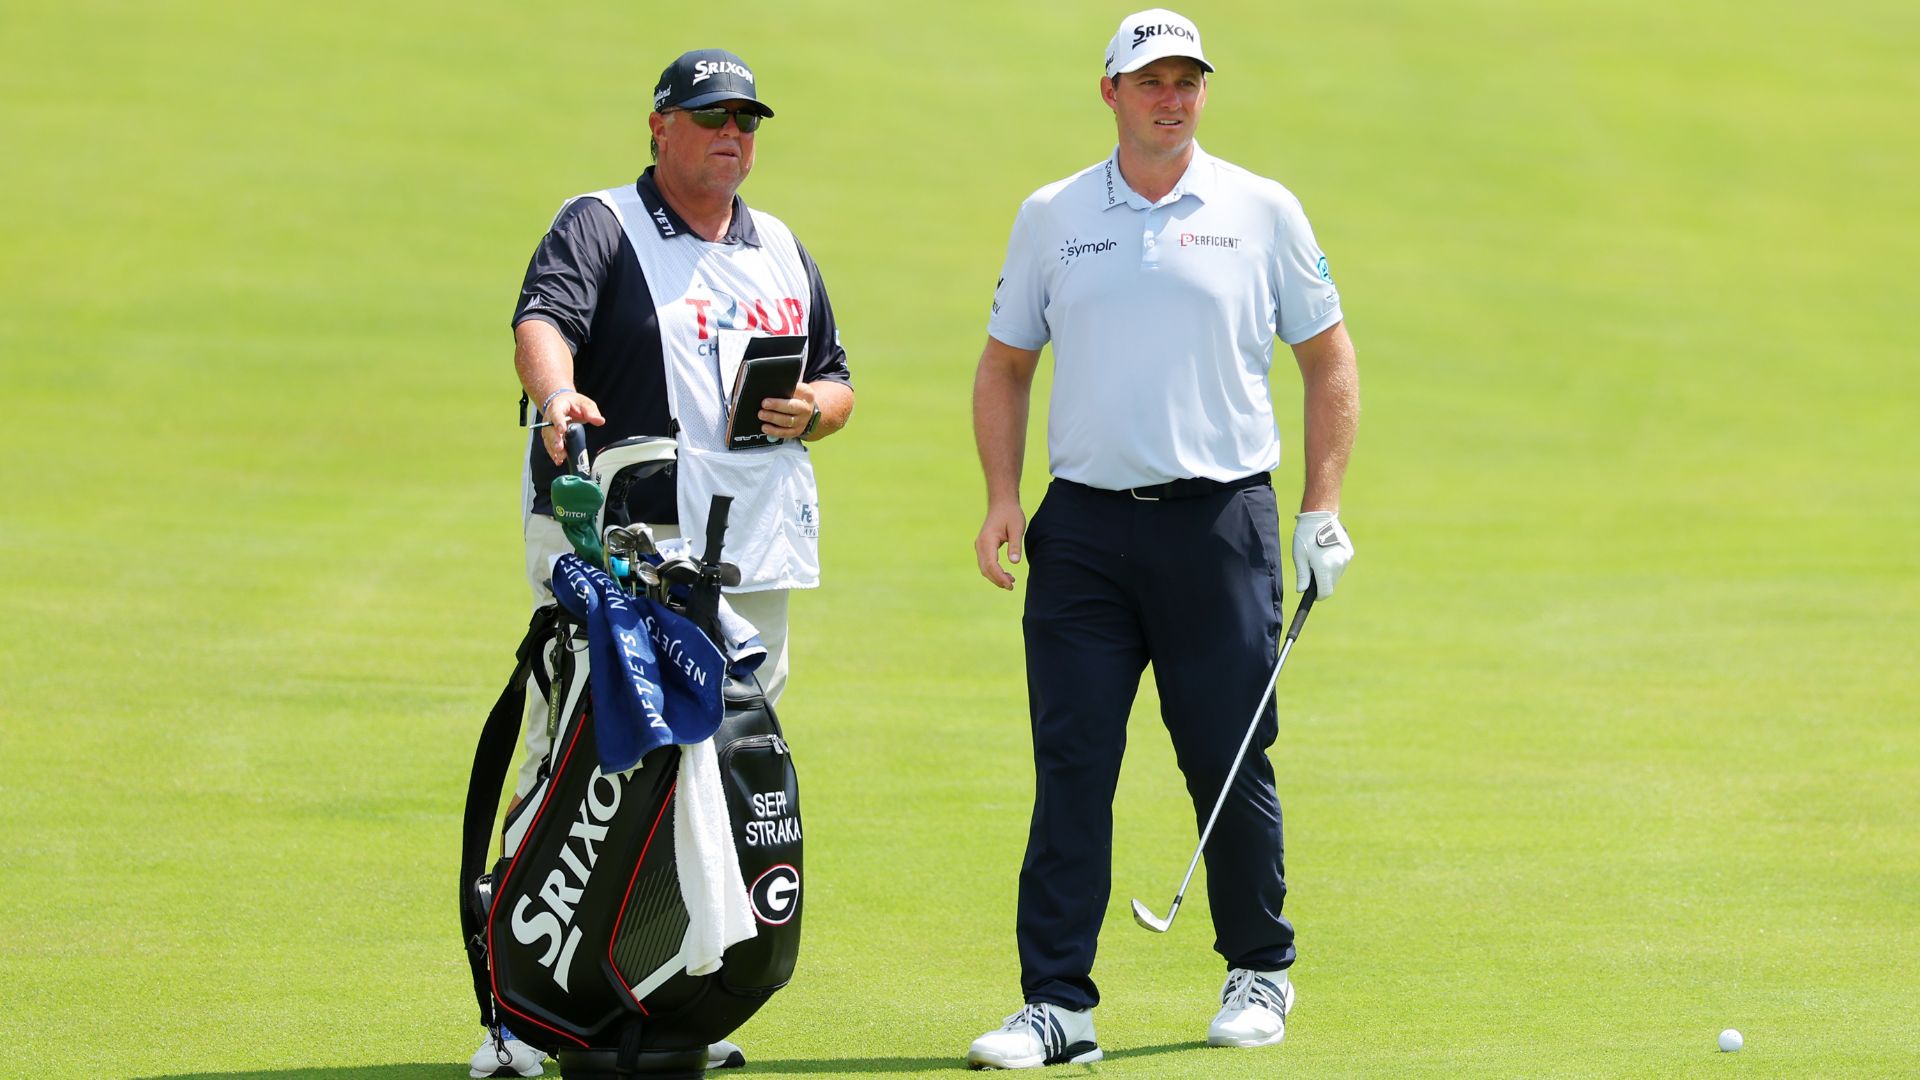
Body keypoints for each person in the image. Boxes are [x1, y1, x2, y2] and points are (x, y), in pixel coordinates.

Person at [965, 8, 1358, 1069]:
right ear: (1111, 94)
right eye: (1151, 81)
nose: (1172, 97)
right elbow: (1006, 365)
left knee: (1228, 757)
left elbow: (1328, 360)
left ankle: (1259, 971)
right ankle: (1058, 1007)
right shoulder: (1052, 216)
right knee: (1074, 762)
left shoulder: (1260, 208)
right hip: (1083, 529)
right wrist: (1004, 497)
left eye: (1188, 80)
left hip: (1221, 523)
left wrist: (1320, 508)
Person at [473, 47, 855, 1079]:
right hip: (621, 549)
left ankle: (676, 1002)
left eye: (747, 120)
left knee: (714, 784)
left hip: (747, 558)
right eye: (711, 116)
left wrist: (811, 410)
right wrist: (559, 398)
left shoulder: (780, 247)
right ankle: (515, 1015)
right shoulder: (599, 222)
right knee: (573, 765)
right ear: (660, 126)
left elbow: (836, 379)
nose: (733, 134)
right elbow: (542, 322)